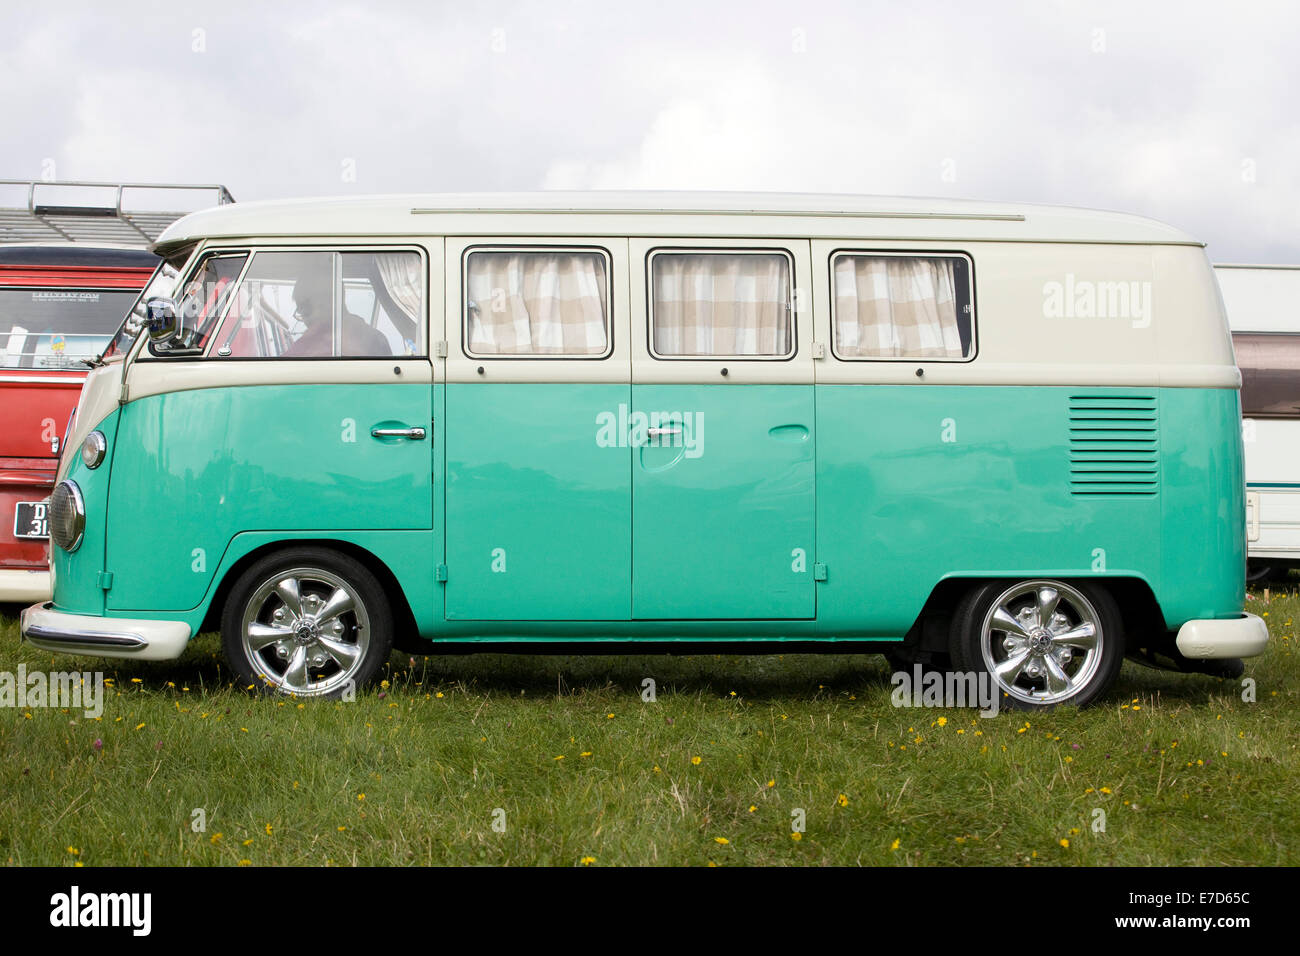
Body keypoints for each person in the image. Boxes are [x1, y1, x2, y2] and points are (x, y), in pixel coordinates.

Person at [283, 268, 391, 357]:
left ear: (330, 302)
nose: (306, 321)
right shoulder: (377, 338)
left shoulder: (317, 344)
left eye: (306, 310)